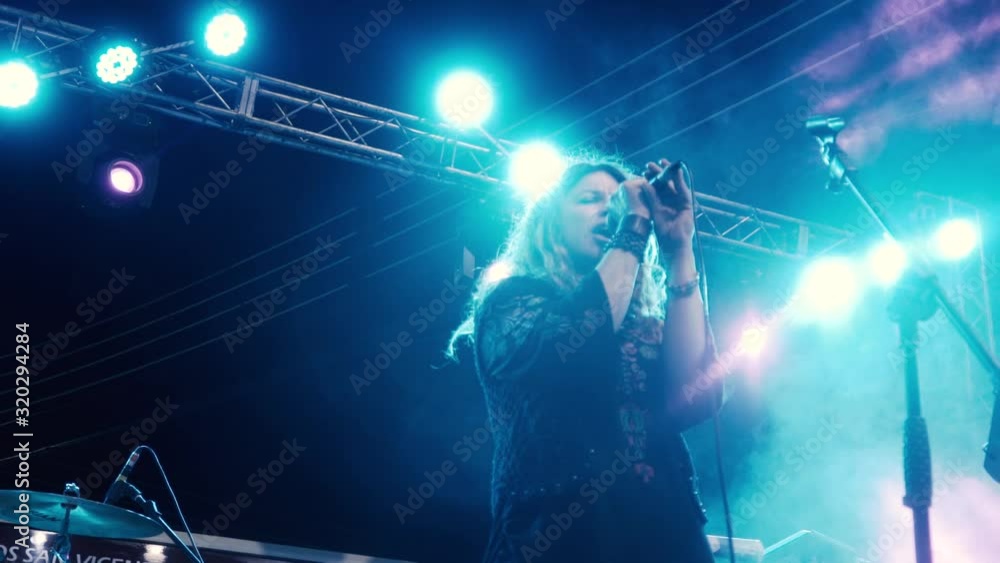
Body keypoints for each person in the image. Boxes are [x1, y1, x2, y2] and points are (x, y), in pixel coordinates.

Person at [447, 156, 725, 563]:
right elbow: (578, 342)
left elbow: (697, 393)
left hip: (666, 533)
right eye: (590, 199)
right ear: (551, 222)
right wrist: (632, 225)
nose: (608, 209)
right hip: (561, 536)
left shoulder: (644, 320)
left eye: (616, 200)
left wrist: (679, 249)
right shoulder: (511, 304)